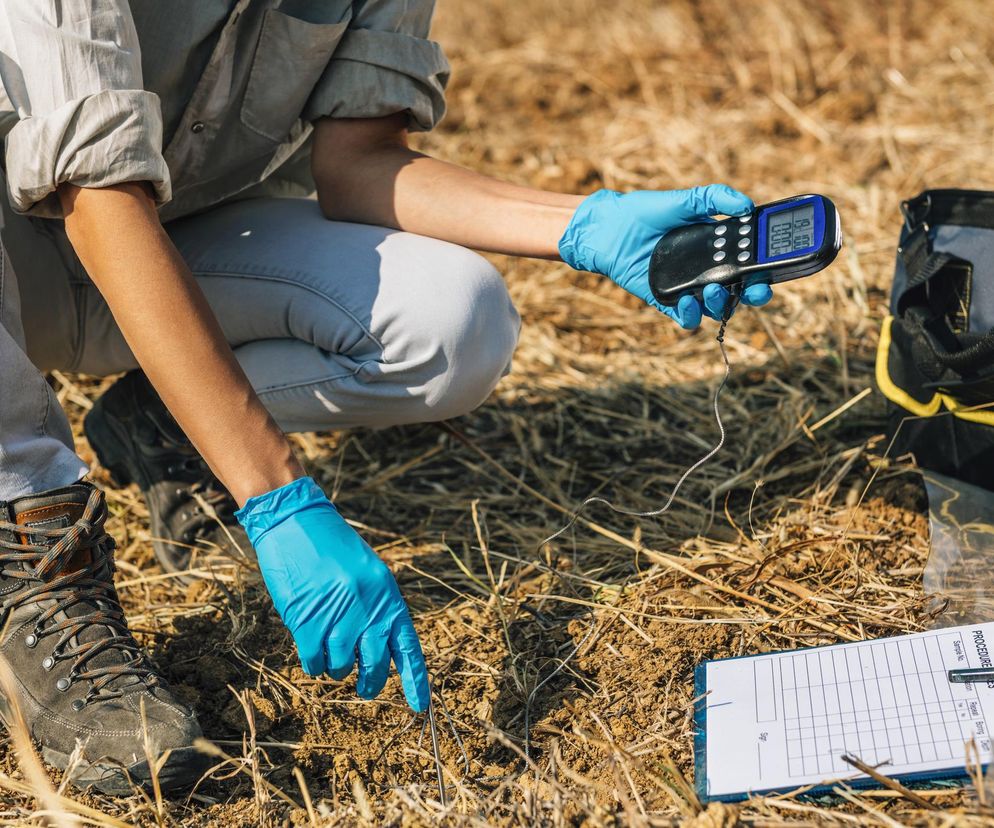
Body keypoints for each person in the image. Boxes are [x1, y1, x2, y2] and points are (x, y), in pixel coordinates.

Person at [0, 0, 773, 794]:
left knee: (452, 320)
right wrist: (277, 498)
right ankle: (31, 563)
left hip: (180, 243)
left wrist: (585, 224)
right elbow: (98, 200)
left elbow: (360, 161)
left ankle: (175, 417)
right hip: (31, 250)